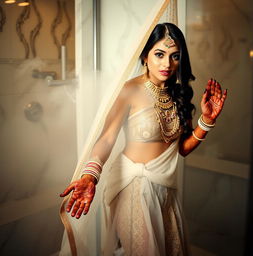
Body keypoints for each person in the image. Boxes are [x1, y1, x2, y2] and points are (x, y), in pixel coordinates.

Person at [60, 23, 227, 256]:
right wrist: (90, 176)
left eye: (174, 56)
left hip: (166, 189)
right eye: (159, 54)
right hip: (133, 187)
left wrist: (206, 121)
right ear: (145, 56)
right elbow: (107, 137)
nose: (167, 64)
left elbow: (183, 148)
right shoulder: (130, 90)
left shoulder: (179, 94)